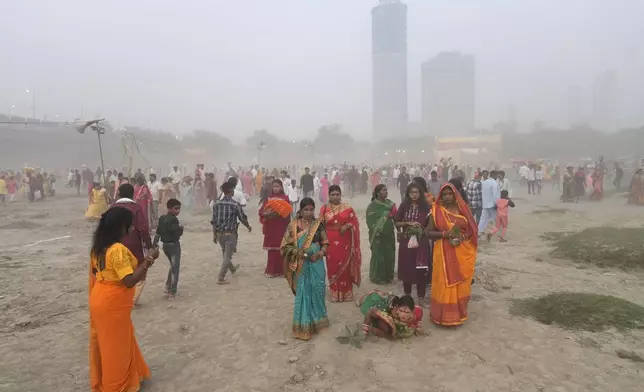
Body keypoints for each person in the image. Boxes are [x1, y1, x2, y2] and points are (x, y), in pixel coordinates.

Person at [89, 207, 157, 391]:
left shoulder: (99, 247)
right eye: (129, 226)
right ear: (121, 227)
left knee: (115, 340)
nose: (131, 229)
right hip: (112, 303)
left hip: (100, 297)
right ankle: (116, 385)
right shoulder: (117, 250)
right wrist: (149, 259)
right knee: (115, 346)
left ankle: (132, 374)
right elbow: (129, 280)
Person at [426, 183, 478, 326]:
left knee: (460, 282)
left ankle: (459, 313)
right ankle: (441, 316)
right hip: (443, 252)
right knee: (444, 282)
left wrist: (462, 237)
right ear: (441, 196)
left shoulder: (463, 211)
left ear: (455, 195)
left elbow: (471, 230)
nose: (447, 197)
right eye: (444, 194)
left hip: (461, 251)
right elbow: (428, 232)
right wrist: (444, 234)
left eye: (450, 194)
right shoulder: (436, 211)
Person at [280, 197, 329, 340]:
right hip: (301, 263)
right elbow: (284, 246)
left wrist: (320, 253)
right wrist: (298, 252)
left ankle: (319, 322)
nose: (308, 212)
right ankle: (304, 325)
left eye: (311, 209)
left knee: (318, 289)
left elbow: (325, 243)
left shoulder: (318, 224)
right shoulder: (293, 226)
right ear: (300, 211)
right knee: (304, 292)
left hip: (316, 263)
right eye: (305, 209)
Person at [111, 183, 155, 305]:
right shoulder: (136, 208)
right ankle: (132, 299)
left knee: (118, 271)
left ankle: (121, 297)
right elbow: (143, 229)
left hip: (114, 245)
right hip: (133, 245)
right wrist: (149, 245)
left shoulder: (112, 208)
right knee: (139, 270)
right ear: (133, 193)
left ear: (119, 193)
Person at [320, 185, 361, 302]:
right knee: (332, 265)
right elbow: (320, 226)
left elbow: (354, 222)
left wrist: (347, 225)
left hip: (345, 241)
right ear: (329, 196)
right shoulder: (324, 209)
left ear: (340, 195)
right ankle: (335, 292)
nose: (335, 197)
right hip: (330, 240)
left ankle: (346, 292)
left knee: (345, 266)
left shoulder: (347, 208)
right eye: (333, 194)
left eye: (337, 194)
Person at [395, 183, 431, 303]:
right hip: (407, 241)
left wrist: (423, 232)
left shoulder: (426, 207)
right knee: (407, 267)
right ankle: (407, 295)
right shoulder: (404, 206)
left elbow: (431, 224)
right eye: (412, 192)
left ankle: (421, 297)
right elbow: (397, 222)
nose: (414, 195)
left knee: (421, 267)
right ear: (408, 194)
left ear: (420, 194)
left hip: (421, 242)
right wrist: (408, 223)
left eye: (416, 192)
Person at [212, 181, 252, 284]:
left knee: (225, 254)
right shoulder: (235, 204)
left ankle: (233, 269)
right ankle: (221, 277)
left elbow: (214, 221)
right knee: (227, 256)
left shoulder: (217, 204)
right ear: (231, 191)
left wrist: (214, 235)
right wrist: (248, 226)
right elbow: (242, 218)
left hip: (220, 234)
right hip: (230, 234)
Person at [358, 290, 423, 339]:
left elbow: (419, 315)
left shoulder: (417, 312)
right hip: (380, 307)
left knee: (391, 333)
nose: (403, 315)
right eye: (401, 311)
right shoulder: (390, 312)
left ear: (412, 311)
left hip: (394, 324)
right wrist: (365, 330)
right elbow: (372, 311)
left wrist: (418, 328)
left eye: (407, 312)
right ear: (397, 308)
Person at [259, 179, 291, 278]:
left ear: (281, 187)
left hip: (281, 226)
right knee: (272, 250)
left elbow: (288, 213)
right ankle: (271, 270)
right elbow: (261, 212)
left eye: (277, 186)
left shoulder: (285, 198)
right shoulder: (268, 199)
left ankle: (282, 270)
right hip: (271, 227)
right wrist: (267, 214)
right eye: (274, 186)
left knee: (282, 248)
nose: (276, 188)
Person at [366, 185, 397, 284]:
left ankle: (389, 276)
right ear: (378, 193)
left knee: (389, 254)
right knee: (378, 255)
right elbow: (370, 220)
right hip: (377, 235)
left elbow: (397, 217)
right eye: (384, 190)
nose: (386, 192)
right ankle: (378, 277)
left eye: (386, 190)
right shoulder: (372, 206)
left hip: (389, 234)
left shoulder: (391, 204)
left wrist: (399, 230)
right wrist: (377, 229)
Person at [154, 198, 184, 299]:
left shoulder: (162, 218)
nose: (178, 211)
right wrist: (181, 229)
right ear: (169, 208)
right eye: (176, 209)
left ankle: (168, 286)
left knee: (173, 266)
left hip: (165, 246)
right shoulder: (174, 219)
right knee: (175, 268)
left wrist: (154, 246)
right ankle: (172, 291)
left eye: (179, 209)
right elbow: (176, 234)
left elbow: (157, 233)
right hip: (174, 245)